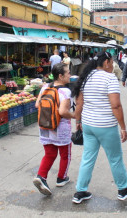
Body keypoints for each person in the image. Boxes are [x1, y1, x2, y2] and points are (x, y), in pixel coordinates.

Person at [71, 51, 127, 204]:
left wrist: (78, 122)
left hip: (88, 125)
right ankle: (123, 189)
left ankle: (80, 191)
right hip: (105, 126)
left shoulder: (86, 77)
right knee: (115, 158)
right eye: (112, 61)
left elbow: (79, 103)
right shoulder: (110, 78)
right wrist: (123, 127)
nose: (113, 64)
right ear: (106, 62)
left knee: (87, 158)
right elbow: (116, 105)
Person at [32, 63, 74, 195]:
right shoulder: (66, 91)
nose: (70, 75)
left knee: (49, 153)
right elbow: (62, 112)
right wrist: (74, 115)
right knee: (65, 155)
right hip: (60, 128)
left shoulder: (45, 87)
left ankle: (41, 176)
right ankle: (61, 178)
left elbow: (37, 104)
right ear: (60, 76)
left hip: (45, 126)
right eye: (68, 73)